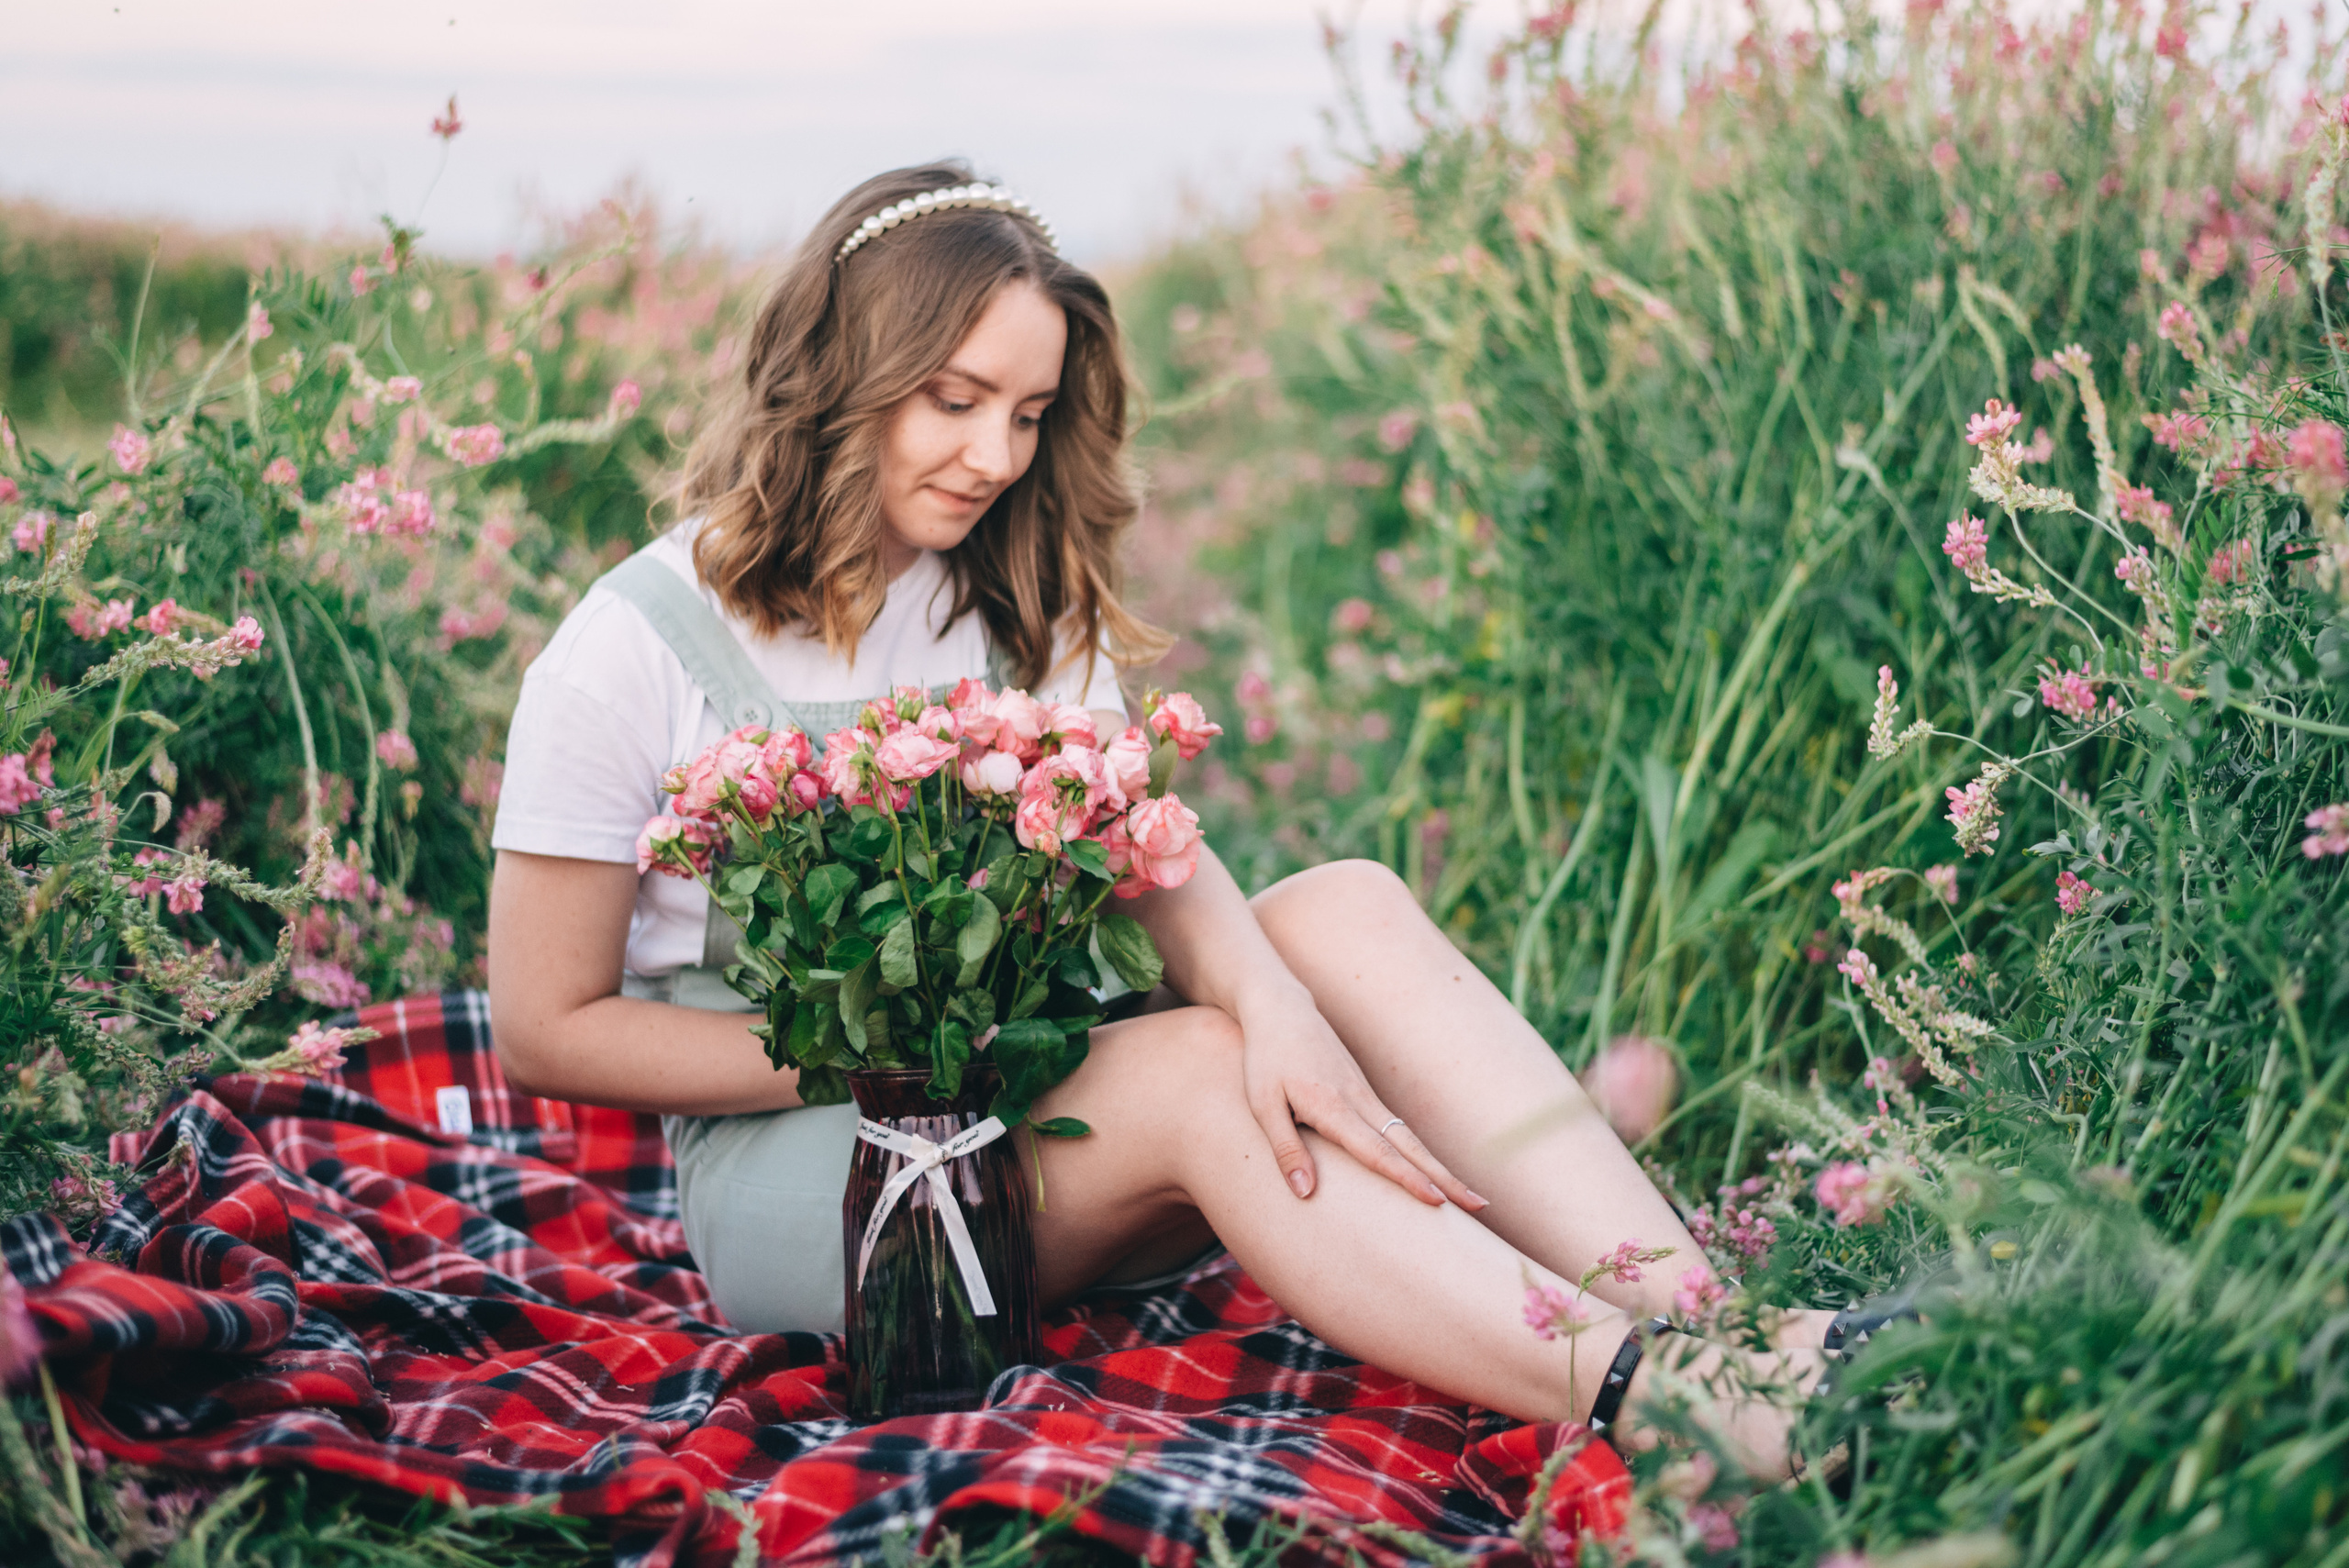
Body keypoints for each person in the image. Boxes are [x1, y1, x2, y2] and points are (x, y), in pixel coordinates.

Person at [486, 161, 1837, 1481]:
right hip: (821, 1179)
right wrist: (892, 1058)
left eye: (1027, 411)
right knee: (1196, 1064)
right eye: (954, 402)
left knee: (1341, 909)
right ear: (839, 371)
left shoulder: (1005, 592)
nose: (994, 457)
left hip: (1036, 1103)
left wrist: (1282, 1008)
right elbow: (547, 1029)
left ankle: (1729, 1338)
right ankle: (1665, 1402)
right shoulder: (631, 650)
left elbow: (1149, 859)